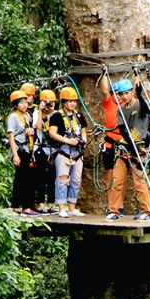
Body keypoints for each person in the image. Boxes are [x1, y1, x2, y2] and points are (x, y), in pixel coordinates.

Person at [105, 76, 150, 222]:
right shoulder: (120, 110)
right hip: (126, 147)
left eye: (126, 93)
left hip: (139, 146)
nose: (124, 96)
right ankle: (113, 211)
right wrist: (130, 147)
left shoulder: (139, 104)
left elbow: (147, 111)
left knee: (139, 181)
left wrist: (139, 94)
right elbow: (122, 129)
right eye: (121, 94)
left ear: (131, 92)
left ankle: (148, 211)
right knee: (117, 181)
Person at [47, 86, 87, 218]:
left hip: (77, 151)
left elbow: (83, 130)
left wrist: (84, 138)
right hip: (63, 150)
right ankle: (61, 207)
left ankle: (72, 207)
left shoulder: (79, 115)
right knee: (62, 179)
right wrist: (67, 141)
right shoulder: (57, 116)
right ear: (63, 102)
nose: (72, 103)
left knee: (76, 179)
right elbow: (52, 133)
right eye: (69, 101)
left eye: (74, 101)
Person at [31, 88, 59, 215]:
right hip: (41, 147)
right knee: (41, 178)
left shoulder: (57, 114)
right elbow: (38, 127)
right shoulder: (37, 113)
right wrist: (41, 111)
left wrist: (51, 112)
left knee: (52, 178)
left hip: (53, 149)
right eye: (47, 102)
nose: (49, 105)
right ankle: (41, 204)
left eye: (51, 102)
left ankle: (51, 204)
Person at [6, 90, 34, 211]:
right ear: (16, 104)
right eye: (22, 103)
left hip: (26, 148)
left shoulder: (26, 117)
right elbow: (11, 136)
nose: (24, 105)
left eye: (26, 103)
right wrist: (15, 155)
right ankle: (21, 206)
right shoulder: (13, 117)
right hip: (18, 149)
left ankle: (21, 205)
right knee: (22, 178)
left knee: (26, 178)